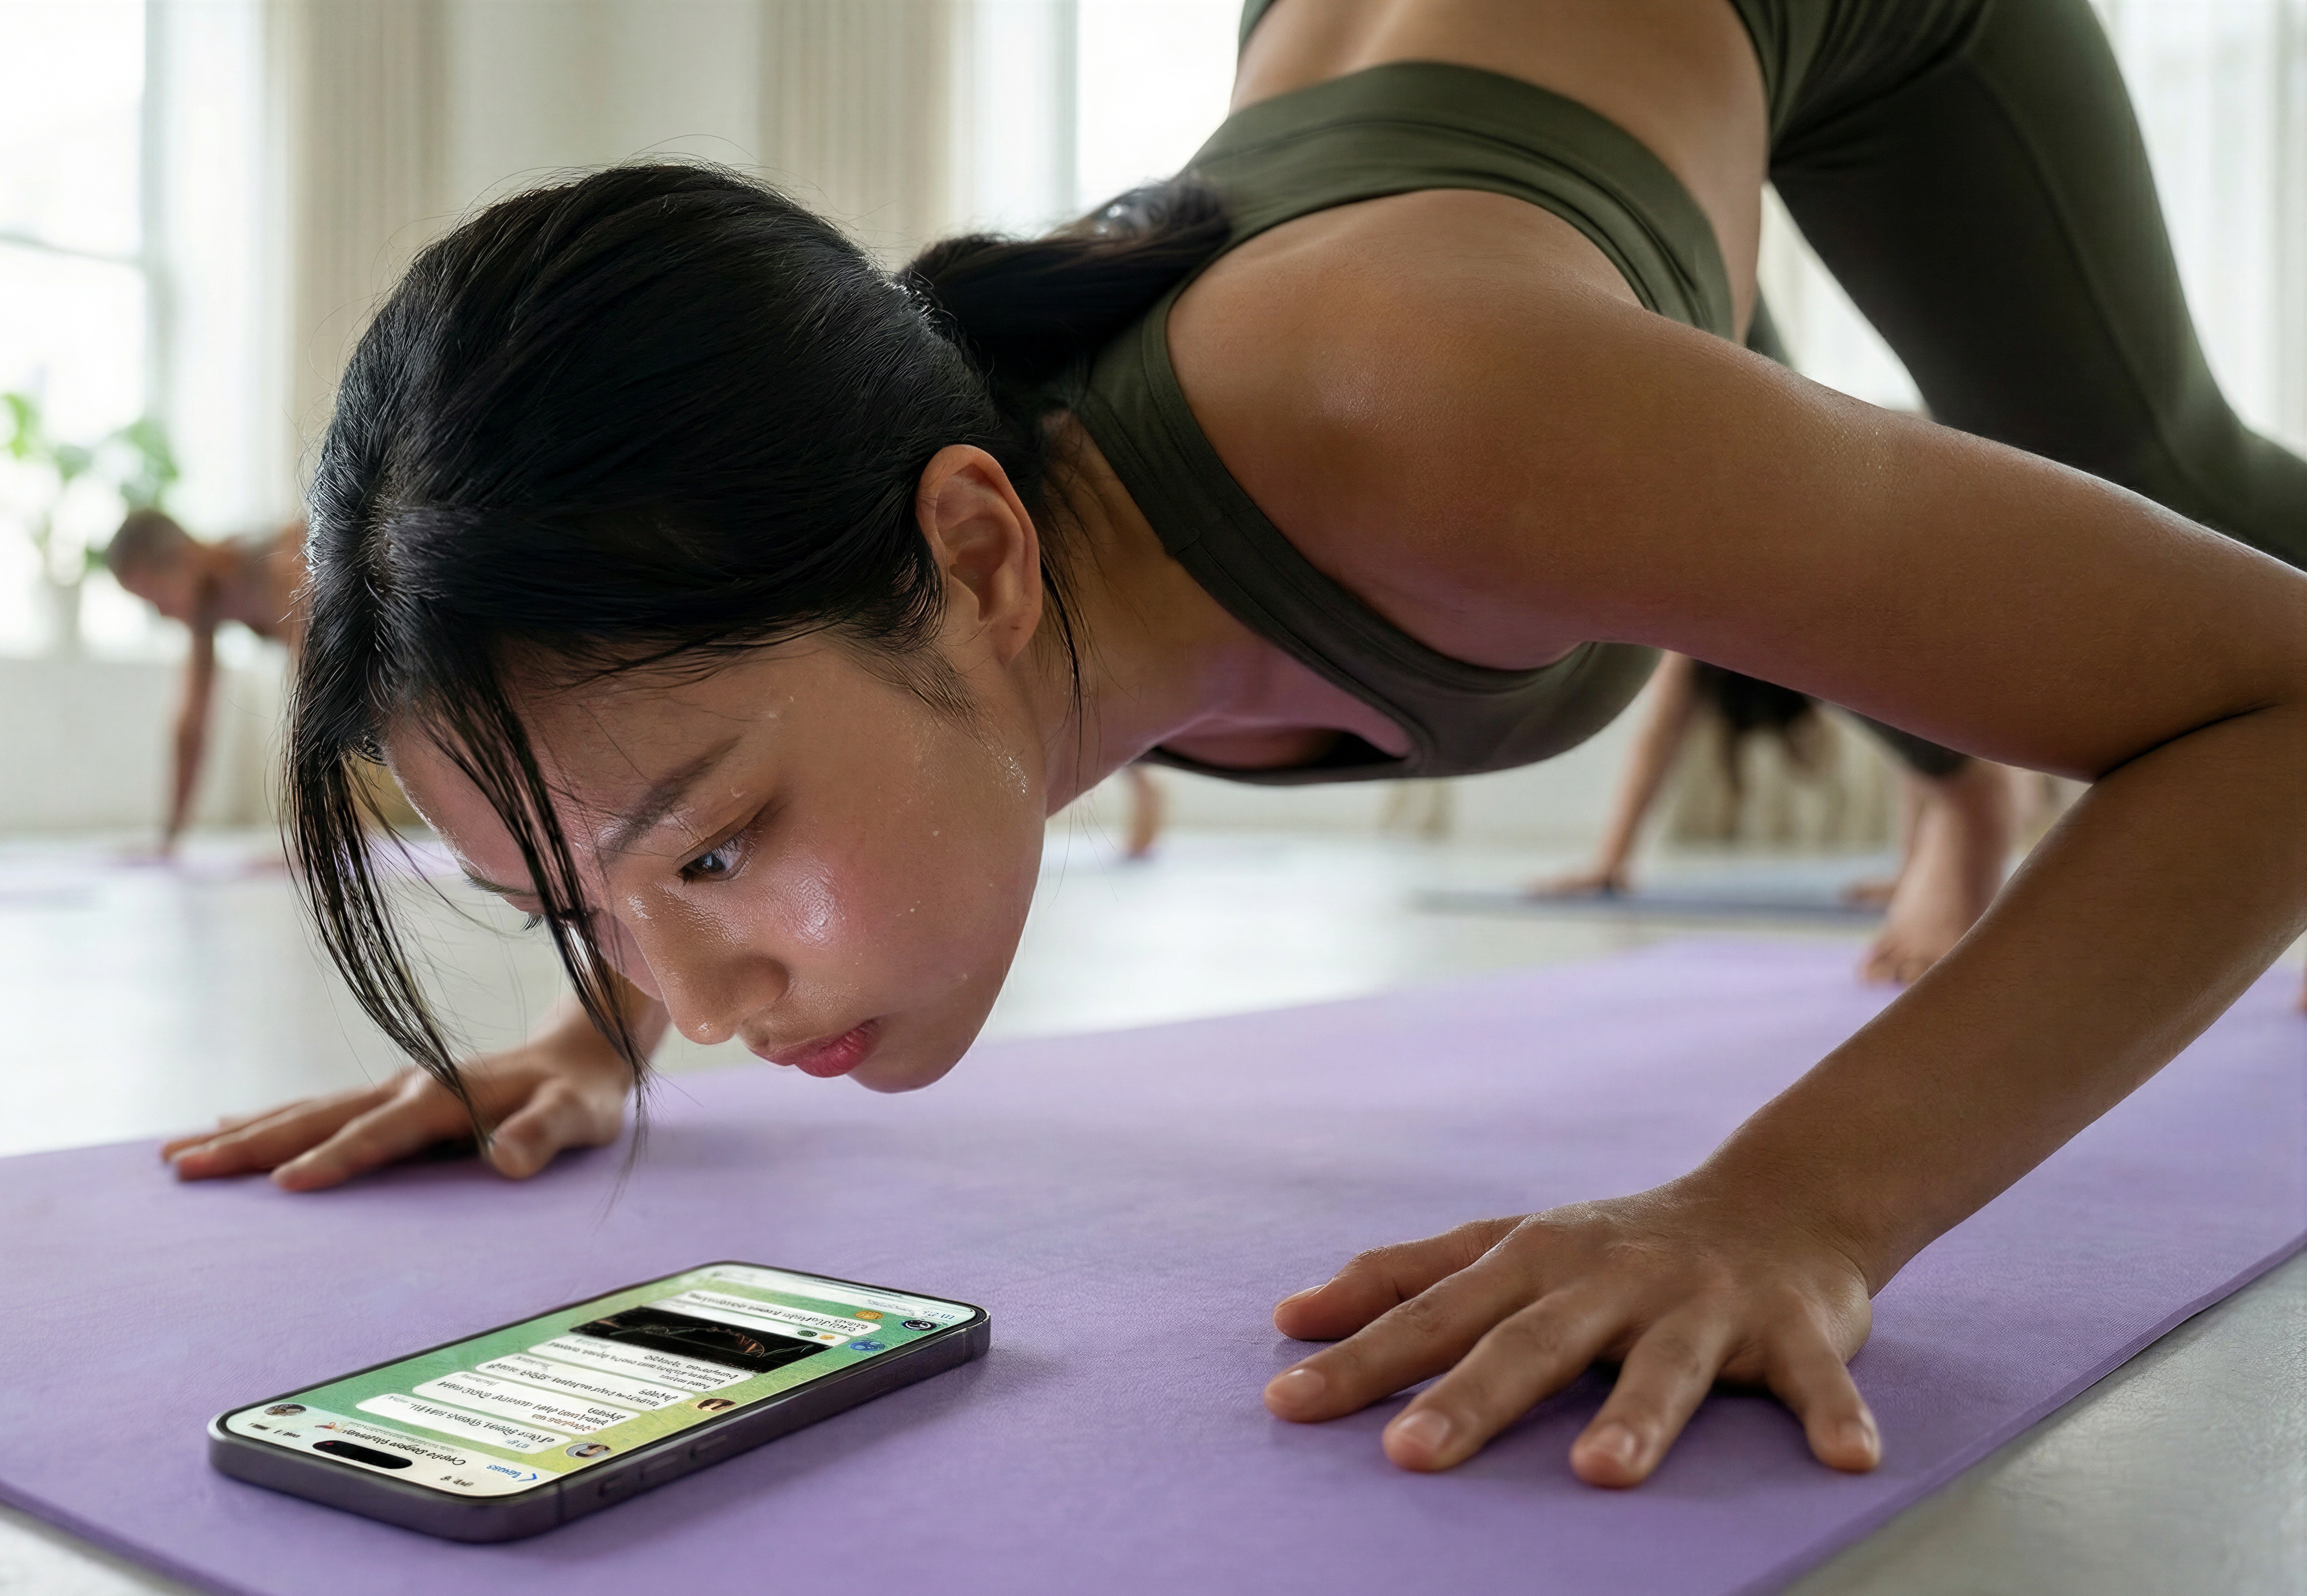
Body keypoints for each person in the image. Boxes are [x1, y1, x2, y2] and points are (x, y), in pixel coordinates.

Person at [165, 0, 2307, 1497]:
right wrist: (577, 1037)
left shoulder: (1434, 420)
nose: (697, 1009)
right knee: (1756, 498)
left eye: (712, 859)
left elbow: (2272, 703)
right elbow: (661, 761)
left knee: (2164, 484)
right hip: (1455, 138)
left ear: (978, 547)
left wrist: (1797, 1209)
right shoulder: (909, 570)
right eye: (587, 907)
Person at [1529, 652, 2028, 983]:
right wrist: (1611, 862)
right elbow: (1655, 740)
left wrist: (1936, 879)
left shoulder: (1827, 629)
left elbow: (1964, 768)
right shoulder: (1697, 643)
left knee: (1929, 730)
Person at [104, 509, 419, 853]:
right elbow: (190, 726)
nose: (162, 614)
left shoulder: (278, 568)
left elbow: (317, 700)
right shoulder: (204, 607)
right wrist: (171, 837)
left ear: (185, 559)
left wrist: (333, 834)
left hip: (409, 621)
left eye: (157, 597)